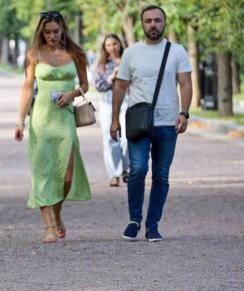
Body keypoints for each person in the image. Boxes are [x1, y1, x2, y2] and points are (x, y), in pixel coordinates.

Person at [110, 5, 192, 242]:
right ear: (142, 24)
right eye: (148, 21)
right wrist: (114, 119)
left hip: (168, 123)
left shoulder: (176, 51)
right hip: (138, 123)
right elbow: (120, 86)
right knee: (138, 169)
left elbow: (185, 84)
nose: (153, 25)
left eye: (157, 20)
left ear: (164, 23)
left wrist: (184, 113)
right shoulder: (131, 53)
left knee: (161, 175)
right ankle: (134, 219)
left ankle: (152, 224)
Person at [15, 11, 92, 244]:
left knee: (66, 175)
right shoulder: (34, 54)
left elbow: (85, 84)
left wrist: (72, 93)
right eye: (47, 32)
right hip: (41, 118)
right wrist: (20, 120)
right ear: (41, 32)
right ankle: (49, 226)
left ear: (63, 29)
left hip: (65, 117)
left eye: (56, 31)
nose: (52, 36)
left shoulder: (75, 54)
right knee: (43, 172)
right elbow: (28, 88)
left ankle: (57, 213)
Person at [95, 34, 129, 187]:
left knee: (128, 136)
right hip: (108, 102)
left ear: (120, 44)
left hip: (128, 101)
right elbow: (99, 86)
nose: (112, 47)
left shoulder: (129, 60)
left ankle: (127, 170)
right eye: (108, 45)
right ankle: (114, 173)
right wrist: (112, 76)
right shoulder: (102, 65)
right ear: (105, 48)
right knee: (110, 138)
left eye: (114, 44)